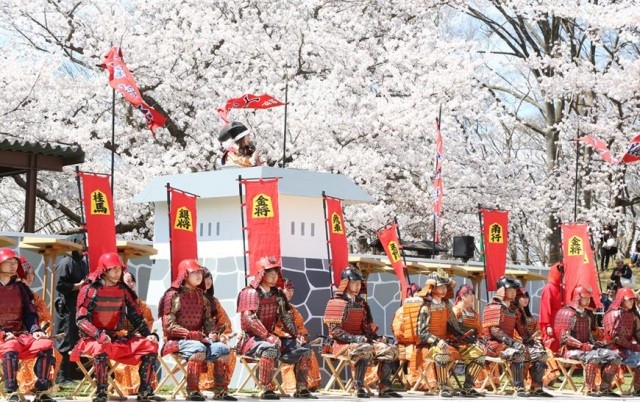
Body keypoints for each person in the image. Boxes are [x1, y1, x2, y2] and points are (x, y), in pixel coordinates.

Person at [72, 252, 164, 402]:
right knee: (101, 348)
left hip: (116, 338)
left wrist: (147, 334)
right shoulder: (90, 289)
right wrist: (98, 334)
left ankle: (145, 392)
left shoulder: (123, 289)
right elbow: (81, 320)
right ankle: (101, 392)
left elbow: (135, 315)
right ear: (104, 270)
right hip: (92, 339)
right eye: (113, 269)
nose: (117, 273)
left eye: (119, 269)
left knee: (150, 346)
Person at [237, 256, 316, 400]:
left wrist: (295, 334)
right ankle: (266, 388)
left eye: (276, 273)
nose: (274, 276)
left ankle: (302, 388)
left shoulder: (278, 294)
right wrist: (268, 336)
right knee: (270, 349)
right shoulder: (249, 292)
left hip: (272, 337)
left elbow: (286, 316)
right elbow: (250, 319)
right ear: (261, 273)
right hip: (251, 339)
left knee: (305, 350)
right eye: (270, 273)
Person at [158, 259, 233, 401]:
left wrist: (213, 333)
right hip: (176, 341)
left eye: (200, 272)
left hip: (200, 339)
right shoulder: (172, 295)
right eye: (195, 272)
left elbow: (207, 320)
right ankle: (192, 390)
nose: (199, 276)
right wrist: (189, 334)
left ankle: (219, 390)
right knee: (198, 348)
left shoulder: (202, 296)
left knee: (223, 350)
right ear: (185, 275)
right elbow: (169, 326)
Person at [323, 266, 401, 399]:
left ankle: (385, 387)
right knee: (364, 349)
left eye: (359, 283)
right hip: (341, 344)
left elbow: (367, 328)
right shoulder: (336, 302)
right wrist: (356, 339)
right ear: (346, 283)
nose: (358, 286)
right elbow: (335, 331)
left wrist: (377, 338)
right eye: (355, 283)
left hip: (361, 341)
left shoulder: (362, 304)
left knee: (389, 349)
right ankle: (358, 386)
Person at [415, 271, 485, 397]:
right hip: (429, 345)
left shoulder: (447, 305)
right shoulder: (426, 307)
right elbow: (422, 334)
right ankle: (443, 387)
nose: (443, 289)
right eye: (440, 286)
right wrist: (437, 341)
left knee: (479, 354)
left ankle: (467, 387)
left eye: (445, 286)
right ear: (432, 287)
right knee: (442, 354)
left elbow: (454, 327)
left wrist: (469, 339)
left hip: (447, 342)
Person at [0, 248, 56, 402]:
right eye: (8, 262)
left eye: (14, 263)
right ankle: (11, 391)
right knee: (10, 346)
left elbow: (29, 313)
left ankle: (42, 390)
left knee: (45, 344)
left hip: (19, 336)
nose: (13, 266)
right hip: (2, 338)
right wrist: (3, 332)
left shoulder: (20, 288)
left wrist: (35, 329)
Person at [483, 276, 545, 397]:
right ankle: (519, 387)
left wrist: (532, 341)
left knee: (541, 354)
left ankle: (536, 387)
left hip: (509, 344)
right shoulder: (493, 307)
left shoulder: (514, 310)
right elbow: (495, 331)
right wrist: (513, 343)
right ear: (502, 290)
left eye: (514, 290)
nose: (513, 292)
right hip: (493, 345)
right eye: (510, 289)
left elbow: (521, 330)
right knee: (517, 353)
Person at [554, 285, 621, 397]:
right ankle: (589, 388)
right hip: (570, 350)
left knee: (614, 357)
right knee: (594, 358)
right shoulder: (567, 313)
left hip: (588, 349)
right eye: (585, 297)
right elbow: (564, 337)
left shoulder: (587, 315)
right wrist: (581, 345)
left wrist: (594, 343)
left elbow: (588, 334)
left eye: (589, 297)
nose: (588, 300)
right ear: (577, 297)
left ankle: (605, 387)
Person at [16, 257, 62, 394]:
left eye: (32, 273)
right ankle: (25, 386)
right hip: (12, 336)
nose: (31, 276)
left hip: (33, 334)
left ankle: (42, 387)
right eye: (27, 273)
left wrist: (42, 328)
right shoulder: (8, 293)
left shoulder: (35, 297)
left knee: (53, 352)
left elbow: (44, 317)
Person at [112, 272, 157, 396]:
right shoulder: (114, 303)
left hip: (138, 340)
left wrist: (144, 335)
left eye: (132, 281)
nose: (130, 284)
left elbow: (148, 323)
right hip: (120, 340)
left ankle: (145, 389)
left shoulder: (143, 306)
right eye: (127, 281)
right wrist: (125, 334)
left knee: (149, 348)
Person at [54, 233, 89, 385]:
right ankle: (61, 375)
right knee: (66, 339)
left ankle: (73, 374)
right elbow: (59, 285)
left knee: (75, 337)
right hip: (66, 306)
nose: (83, 246)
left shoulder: (82, 262)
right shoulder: (66, 262)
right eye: (80, 243)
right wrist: (77, 286)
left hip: (78, 306)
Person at [197, 268, 237, 400]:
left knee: (228, 351)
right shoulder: (191, 299)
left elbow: (224, 323)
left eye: (210, 278)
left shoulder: (214, 301)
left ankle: (220, 387)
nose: (208, 281)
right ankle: (201, 385)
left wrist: (223, 335)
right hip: (196, 338)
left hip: (214, 337)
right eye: (205, 278)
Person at [276, 279, 321, 394]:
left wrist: (301, 336)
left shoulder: (292, 309)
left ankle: (305, 385)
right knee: (296, 350)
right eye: (288, 290)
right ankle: (290, 385)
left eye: (292, 290)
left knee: (307, 350)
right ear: (281, 290)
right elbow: (270, 327)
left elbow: (300, 326)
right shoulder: (273, 308)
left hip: (293, 340)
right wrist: (283, 335)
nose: (291, 293)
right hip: (278, 340)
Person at [513, 287, 552, 394]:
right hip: (518, 345)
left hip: (531, 346)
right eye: (522, 297)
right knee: (537, 353)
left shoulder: (531, 317)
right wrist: (527, 340)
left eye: (527, 297)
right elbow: (513, 333)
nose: (526, 300)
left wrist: (539, 342)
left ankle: (536, 386)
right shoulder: (513, 314)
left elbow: (537, 333)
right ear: (516, 299)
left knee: (544, 354)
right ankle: (520, 386)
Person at [603, 287, 640, 396]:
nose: (632, 302)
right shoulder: (613, 314)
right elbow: (615, 337)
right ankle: (605, 388)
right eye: (629, 299)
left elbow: (637, 332)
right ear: (622, 299)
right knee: (615, 357)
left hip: (627, 349)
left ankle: (638, 388)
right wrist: (633, 347)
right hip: (612, 348)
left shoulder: (632, 315)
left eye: (633, 300)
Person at [538, 262, 564, 354]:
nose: (562, 275)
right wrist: (548, 325)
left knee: (560, 345)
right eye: (560, 272)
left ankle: (559, 366)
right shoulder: (549, 288)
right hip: (551, 321)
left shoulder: (562, 288)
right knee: (551, 345)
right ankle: (550, 367)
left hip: (560, 321)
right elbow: (545, 308)